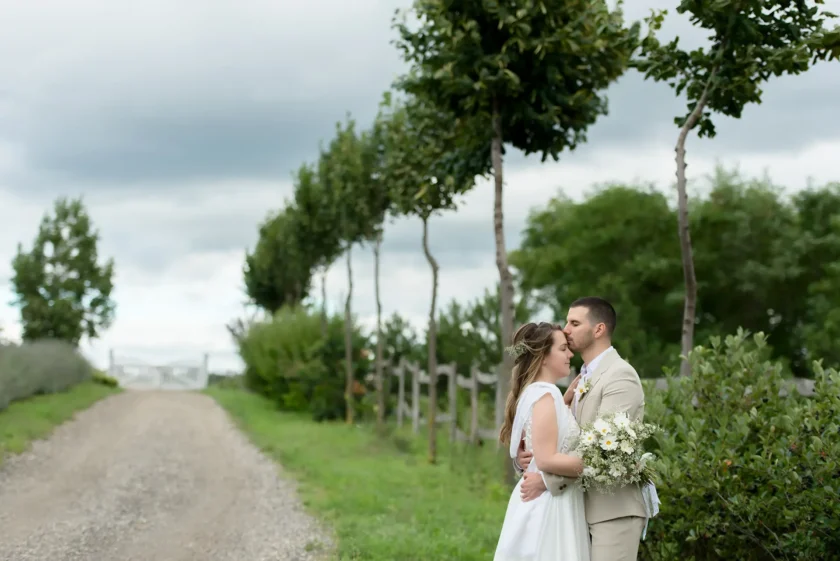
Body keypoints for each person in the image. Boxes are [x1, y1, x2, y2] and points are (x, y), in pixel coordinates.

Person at [515, 297, 648, 561]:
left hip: (612, 512)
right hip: (574, 508)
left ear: (598, 330)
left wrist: (546, 478)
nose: (565, 329)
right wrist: (527, 459)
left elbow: (604, 453)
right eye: (566, 322)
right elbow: (565, 440)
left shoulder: (620, 376)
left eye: (574, 323)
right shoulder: (579, 380)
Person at [494, 322, 591, 561]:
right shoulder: (546, 395)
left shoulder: (540, 393)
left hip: (545, 497)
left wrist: (565, 405)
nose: (570, 354)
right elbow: (547, 459)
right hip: (549, 506)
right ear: (543, 357)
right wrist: (594, 463)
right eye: (562, 349)